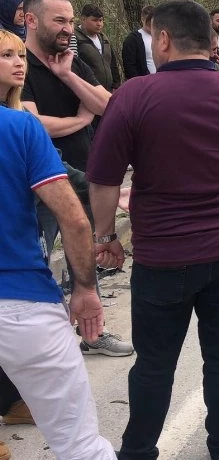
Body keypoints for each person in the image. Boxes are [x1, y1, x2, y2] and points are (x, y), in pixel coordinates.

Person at [87, 0, 219, 460]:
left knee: (155, 363)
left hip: (165, 257)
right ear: (212, 41)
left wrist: (106, 236)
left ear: (162, 39)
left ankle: (138, 451)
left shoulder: (134, 95)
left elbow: (103, 179)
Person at [0, 27, 117, 460]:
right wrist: (85, 289)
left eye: (19, 54)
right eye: (5, 55)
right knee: (79, 444)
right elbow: (73, 219)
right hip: (21, 300)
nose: (18, 63)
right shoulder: (21, 128)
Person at [21, 0, 133, 356]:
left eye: (70, 21)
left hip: (83, 177)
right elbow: (31, 126)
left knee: (83, 261)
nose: (68, 28)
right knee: (36, 264)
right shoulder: (17, 62)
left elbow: (109, 106)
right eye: (59, 20)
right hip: (40, 186)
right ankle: (37, 346)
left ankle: (93, 335)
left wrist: (68, 76)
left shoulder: (70, 60)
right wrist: (79, 120)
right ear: (32, 20)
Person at [74, 3, 120, 92]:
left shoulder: (104, 38)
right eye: (95, 20)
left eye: (101, 20)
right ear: (83, 19)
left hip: (108, 91)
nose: (99, 24)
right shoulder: (74, 38)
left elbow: (112, 63)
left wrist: (116, 85)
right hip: (87, 91)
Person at [122, 5, 156, 79]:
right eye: (148, 21)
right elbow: (129, 66)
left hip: (161, 80)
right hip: (144, 81)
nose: (151, 24)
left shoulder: (162, 37)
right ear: (142, 19)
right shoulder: (132, 39)